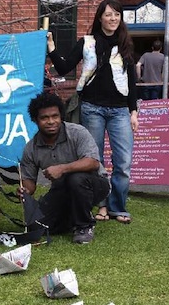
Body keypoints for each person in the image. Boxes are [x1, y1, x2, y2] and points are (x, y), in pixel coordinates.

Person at [47, 0, 137, 224]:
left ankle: (118, 207)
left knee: (123, 162)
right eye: (108, 14)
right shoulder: (87, 42)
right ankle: (102, 206)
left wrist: (133, 111)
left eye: (117, 14)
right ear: (100, 18)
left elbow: (132, 79)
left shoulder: (125, 43)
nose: (113, 18)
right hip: (92, 108)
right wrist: (51, 46)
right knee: (94, 161)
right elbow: (64, 67)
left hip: (119, 110)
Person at [19, 92, 111, 244]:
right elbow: (29, 183)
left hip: (95, 184)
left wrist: (62, 168)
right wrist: (25, 190)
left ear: (61, 116)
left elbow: (93, 162)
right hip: (62, 190)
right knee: (36, 226)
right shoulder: (31, 148)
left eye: (55, 116)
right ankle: (71, 217)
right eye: (44, 118)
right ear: (35, 120)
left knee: (76, 178)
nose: (51, 121)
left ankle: (84, 226)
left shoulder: (77, 132)